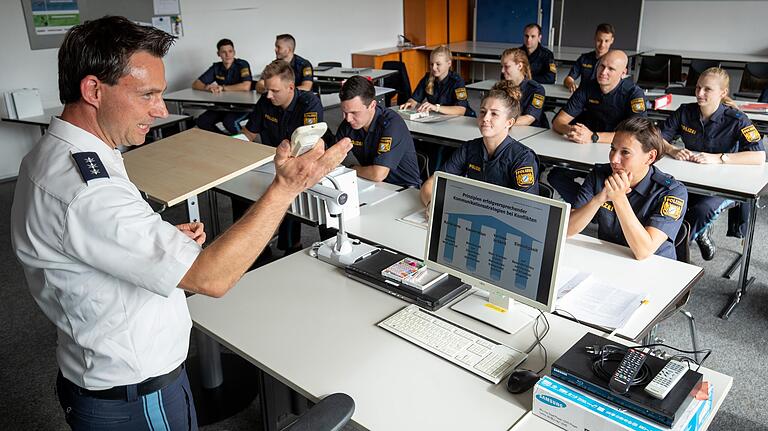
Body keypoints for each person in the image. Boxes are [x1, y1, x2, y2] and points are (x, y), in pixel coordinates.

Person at [10, 16, 350, 430]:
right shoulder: (88, 190)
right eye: (148, 94)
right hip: (136, 392)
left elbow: (91, 236)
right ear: (93, 90)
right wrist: (285, 187)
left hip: (101, 370)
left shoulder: (57, 156)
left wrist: (155, 238)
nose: (162, 109)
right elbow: (213, 278)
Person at [659, 67, 765, 260]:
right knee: (667, 200)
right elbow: (657, 138)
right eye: (698, 87)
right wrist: (672, 149)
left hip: (726, 185)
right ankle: (690, 237)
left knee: (701, 211)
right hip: (692, 178)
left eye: (707, 89)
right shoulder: (685, 112)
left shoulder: (737, 119)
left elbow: (758, 156)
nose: (700, 93)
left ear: (723, 93)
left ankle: (672, 253)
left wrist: (719, 158)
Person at [567, 117, 688, 260]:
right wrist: (599, 199)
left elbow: (643, 252)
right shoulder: (600, 175)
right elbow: (567, 230)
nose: (613, 159)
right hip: (610, 258)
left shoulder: (672, 192)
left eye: (625, 152)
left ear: (650, 157)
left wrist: (618, 198)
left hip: (653, 268)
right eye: (613, 149)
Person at [241, 59, 324, 254]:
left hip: (302, 164)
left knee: (288, 195)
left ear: (291, 87)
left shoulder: (309, 103)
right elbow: (249, 133)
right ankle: (253, 250)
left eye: (275, 91)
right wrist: (232, 147)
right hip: (271, 164)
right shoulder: (266, 101)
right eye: (267, 90)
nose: (269, 95)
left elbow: (310, 149)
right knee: (241, 191)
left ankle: (291, 247)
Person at [420, 80, 540, 208]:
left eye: (494, 114)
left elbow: (526, 208)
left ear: (509, 122)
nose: (485, 118)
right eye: (483, 112)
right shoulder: (469, 148)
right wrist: (431, 205)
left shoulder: (523, 158)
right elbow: (431, 183)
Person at [549, 50, 647, 204]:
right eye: (601, 66)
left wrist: (593, 136)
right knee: (555, 176)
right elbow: (558, 122)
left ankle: (597, 210)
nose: (603, 72)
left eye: (611, 69)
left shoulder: (633, 93)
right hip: (586, 149)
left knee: (609, 183)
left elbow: (638, 134)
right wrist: (573, 130)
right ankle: (589, 210)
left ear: (623, 72)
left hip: (615, 154)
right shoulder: (587, 87)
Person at [336, 75, 422, 188]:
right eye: (345, 112)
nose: (348, 118)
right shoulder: (349, 123)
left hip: (403, 189)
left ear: (372, 105)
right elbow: (332, 154)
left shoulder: (392, 124)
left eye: (354, 113)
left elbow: (378, 174)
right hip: (372, 185)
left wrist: (353, 169)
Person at [192, 38, 253, 134]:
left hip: (242, 107)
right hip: (223, 106)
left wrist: (223, 88)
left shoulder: (242, 64)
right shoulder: (216, 67)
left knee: (229, 122)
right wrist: (207, 87)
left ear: (234, 52)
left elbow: (246, 86)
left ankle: (248, 145)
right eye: (223, 52)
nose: (227, 55)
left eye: (230, 51)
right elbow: (196, 84)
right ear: (218, 54)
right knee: (202, 121)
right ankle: (224, 140)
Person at [400, 45, 475, 117]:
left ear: (449, 63)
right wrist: (410, 103)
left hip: (462, 120)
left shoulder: (457, 81)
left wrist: (436, 108)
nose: (434, 68)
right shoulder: (427, 78)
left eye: (438, 64)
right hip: (441, 118)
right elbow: (414, 99)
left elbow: (461, 110)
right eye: (431, 64)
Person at [499, 48, 548, 128]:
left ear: (519, 66)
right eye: (502, 66)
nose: (502, 70)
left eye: (506, 66)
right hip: (508, 129)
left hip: (532, 133)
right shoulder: (501, 87)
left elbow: (528, 119)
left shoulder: (536, 89)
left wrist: (500, 122)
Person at [563, 23, 615, 92]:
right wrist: (571, 84)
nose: (602, 45)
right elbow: (568, 79)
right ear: (595, 38)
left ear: (612, 41)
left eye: (606, 41)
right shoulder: (584, 58)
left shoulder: (615, 62)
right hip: (583, 98)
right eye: (599, 40)